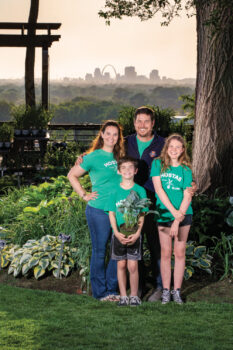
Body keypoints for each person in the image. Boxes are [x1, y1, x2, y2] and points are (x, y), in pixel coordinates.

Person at [67, 120, 125, 300]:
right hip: (99, 210)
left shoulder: (121, 156)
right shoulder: (92, 157)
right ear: (102, 134)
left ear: (119, 137)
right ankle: (100, 293)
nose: (111, 137)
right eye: (108, 133)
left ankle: (112, 289)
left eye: (115, 134)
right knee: (100, 251)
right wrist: (84, 195)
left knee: (118, 250)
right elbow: (72, 175)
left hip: (120, 211)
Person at [125, 106, 165, 300]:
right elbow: (105, 154)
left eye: (146, 121)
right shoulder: (126, 143)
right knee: (136, 245)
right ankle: (138, 287)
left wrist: (189, 181)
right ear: (134, 123)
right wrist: (83, 158)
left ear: (153, 123)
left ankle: (159, 287)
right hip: (131, 204)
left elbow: (178, 164)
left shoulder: (162, 144)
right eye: (139, 121)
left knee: (156, 245)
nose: (142, 125)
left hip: (155, 203)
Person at [150, 134, 193, 304]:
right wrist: (173, 214)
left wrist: (177, 219)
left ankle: (177, 291)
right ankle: (166, 291)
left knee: (180, 253)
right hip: (164, 213)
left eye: (178, 147)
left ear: (183, 150)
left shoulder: (186, 169)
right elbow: (159, 190)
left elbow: (187, 195)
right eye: (171, 146)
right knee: (166, 253)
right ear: (166, 148)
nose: (174, 150)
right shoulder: (157, 164)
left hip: (183, 214)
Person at [107, 156, 149, 306]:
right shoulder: (114, 190)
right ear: (118, 171)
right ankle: (123, 296)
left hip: (134, 233)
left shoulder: (139, 190)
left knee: (133, 266)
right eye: (123, 168)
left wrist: (137, 232)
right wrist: (116, 233)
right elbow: (111, 213)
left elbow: (142, 214)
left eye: (130, 168)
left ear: (136, 171)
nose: (127, 171)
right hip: (119, 233)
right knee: (121, 265)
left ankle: (134, 296)